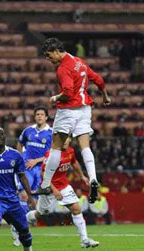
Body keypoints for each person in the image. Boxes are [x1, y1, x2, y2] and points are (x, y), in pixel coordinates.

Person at [38, 37, 111, 204]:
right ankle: (93, 178)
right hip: (85, 109)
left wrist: (55, 97)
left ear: (57, 51)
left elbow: (68, 92)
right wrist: (105, 95)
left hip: (68, 111)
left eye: (49, 56)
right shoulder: (79, 62)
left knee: (55, 147)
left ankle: (46, 183)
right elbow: (98, 79)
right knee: (85, 146)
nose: (48, 59)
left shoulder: (63, 69)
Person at [26, 137, 99, 248]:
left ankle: (84, 240)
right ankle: (24, 219)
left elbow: (74, 163)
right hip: (48, 187)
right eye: (62, 138)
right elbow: (43, 174)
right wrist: (54, 190)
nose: (64, 141)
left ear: (70, 139)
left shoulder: (70, 151)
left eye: (66, 138)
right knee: (40, 214)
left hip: (64, 186)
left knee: (76, 209)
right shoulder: (51, 153)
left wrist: (82, 176)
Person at [11, 107, 53, 246]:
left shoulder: (51, 133)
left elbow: (51, 154)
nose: (39, 116)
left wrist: (36, 160)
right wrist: (19, 159)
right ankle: (17, 229)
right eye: (37, 114)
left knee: (33, 201)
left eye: (42, 114)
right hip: (26, 169)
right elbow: (20, 143)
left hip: (40, 170)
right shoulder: (28, 130)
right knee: (23, 195)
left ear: (46, 117)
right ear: (34, 117)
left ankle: (21, 226)